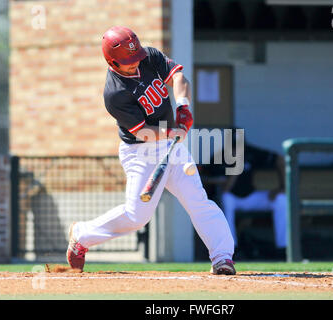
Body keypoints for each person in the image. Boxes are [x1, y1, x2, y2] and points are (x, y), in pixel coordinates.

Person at [66, 26, 236, 275]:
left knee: (198, 200)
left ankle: (222, 258)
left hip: (170, 145)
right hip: (140, 151)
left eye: (136, 58)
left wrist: (183, 107)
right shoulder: (114, 94)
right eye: (128, 62)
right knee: (137, 217)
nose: (135, 64)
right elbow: (141, 130)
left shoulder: (148, 57)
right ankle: (82, 235)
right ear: (112, 62)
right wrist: (171, 131)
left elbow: (179, 77)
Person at [200, 131, 287, 258]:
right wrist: (236, 167)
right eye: (234, 146)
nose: (237, 149)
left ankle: (283, 249)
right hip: (232, 198)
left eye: (239, 146)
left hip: (251, 196)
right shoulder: (219, 157)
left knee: (281, 199)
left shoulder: (251, 152)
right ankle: (232, 248)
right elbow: (223, 188)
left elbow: (281, 160)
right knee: (226, 198)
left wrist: (282, 187)